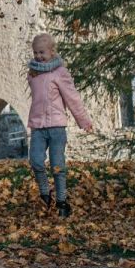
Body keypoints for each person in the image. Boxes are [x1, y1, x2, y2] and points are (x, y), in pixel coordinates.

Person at [27, 32, 94, 218]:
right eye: (35, 53)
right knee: (36, 161)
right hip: (38, 127)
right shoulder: (32, 74)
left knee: (57, 165)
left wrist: (84, 121)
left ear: (52, 51)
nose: (38, 56)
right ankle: (44, 194)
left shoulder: (60, 73)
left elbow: (72, 98)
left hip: (56, 127)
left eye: (42, 52)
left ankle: (62, 201)